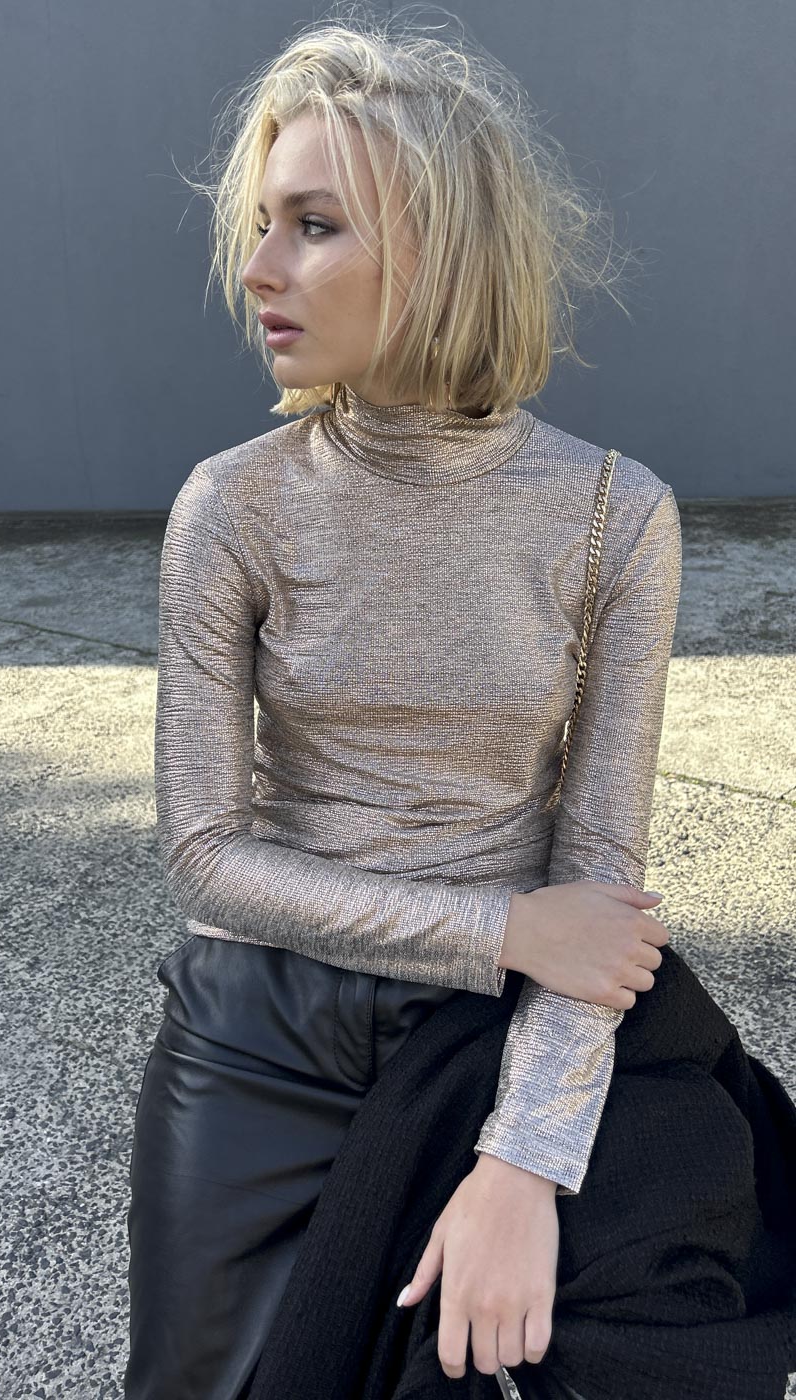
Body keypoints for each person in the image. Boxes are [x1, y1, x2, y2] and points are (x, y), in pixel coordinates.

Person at [123, 14, 796, 1400]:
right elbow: (203, 856)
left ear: (440, 251)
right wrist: (503, 927)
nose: (258, 268)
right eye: (263, 224)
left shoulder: (614, 514)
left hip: (494, 1028)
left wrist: (523, 1160)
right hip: (261, 1038)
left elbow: (596, 883)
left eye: (314, 225)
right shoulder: (232, 506)